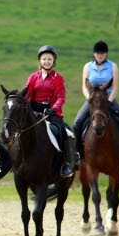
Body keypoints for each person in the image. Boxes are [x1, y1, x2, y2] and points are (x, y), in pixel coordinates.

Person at [73, 40, 119, 162]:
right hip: (92, 100)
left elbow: (115, 87)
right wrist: (89, 99)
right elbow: (84, 85)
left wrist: (108, 101)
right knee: (77, 122)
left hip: (108, 100)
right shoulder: (87, 67)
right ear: (94, 54)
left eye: (102, 53)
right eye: (98, 53)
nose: (100, 55)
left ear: (106, 54)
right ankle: (77, 152)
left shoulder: (113, 66)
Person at [22, 45, 74, 178]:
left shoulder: (58, 78)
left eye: (49, 59)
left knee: (62, 131)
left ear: (54, 61)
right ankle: (16, 161)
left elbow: (61, 97)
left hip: (51, 113)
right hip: (34, 111)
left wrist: (54, 108)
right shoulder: (33, 77)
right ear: (39, 60)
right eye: (44, 59)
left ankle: (66, 164)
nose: (47, 61)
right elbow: (27, 94)